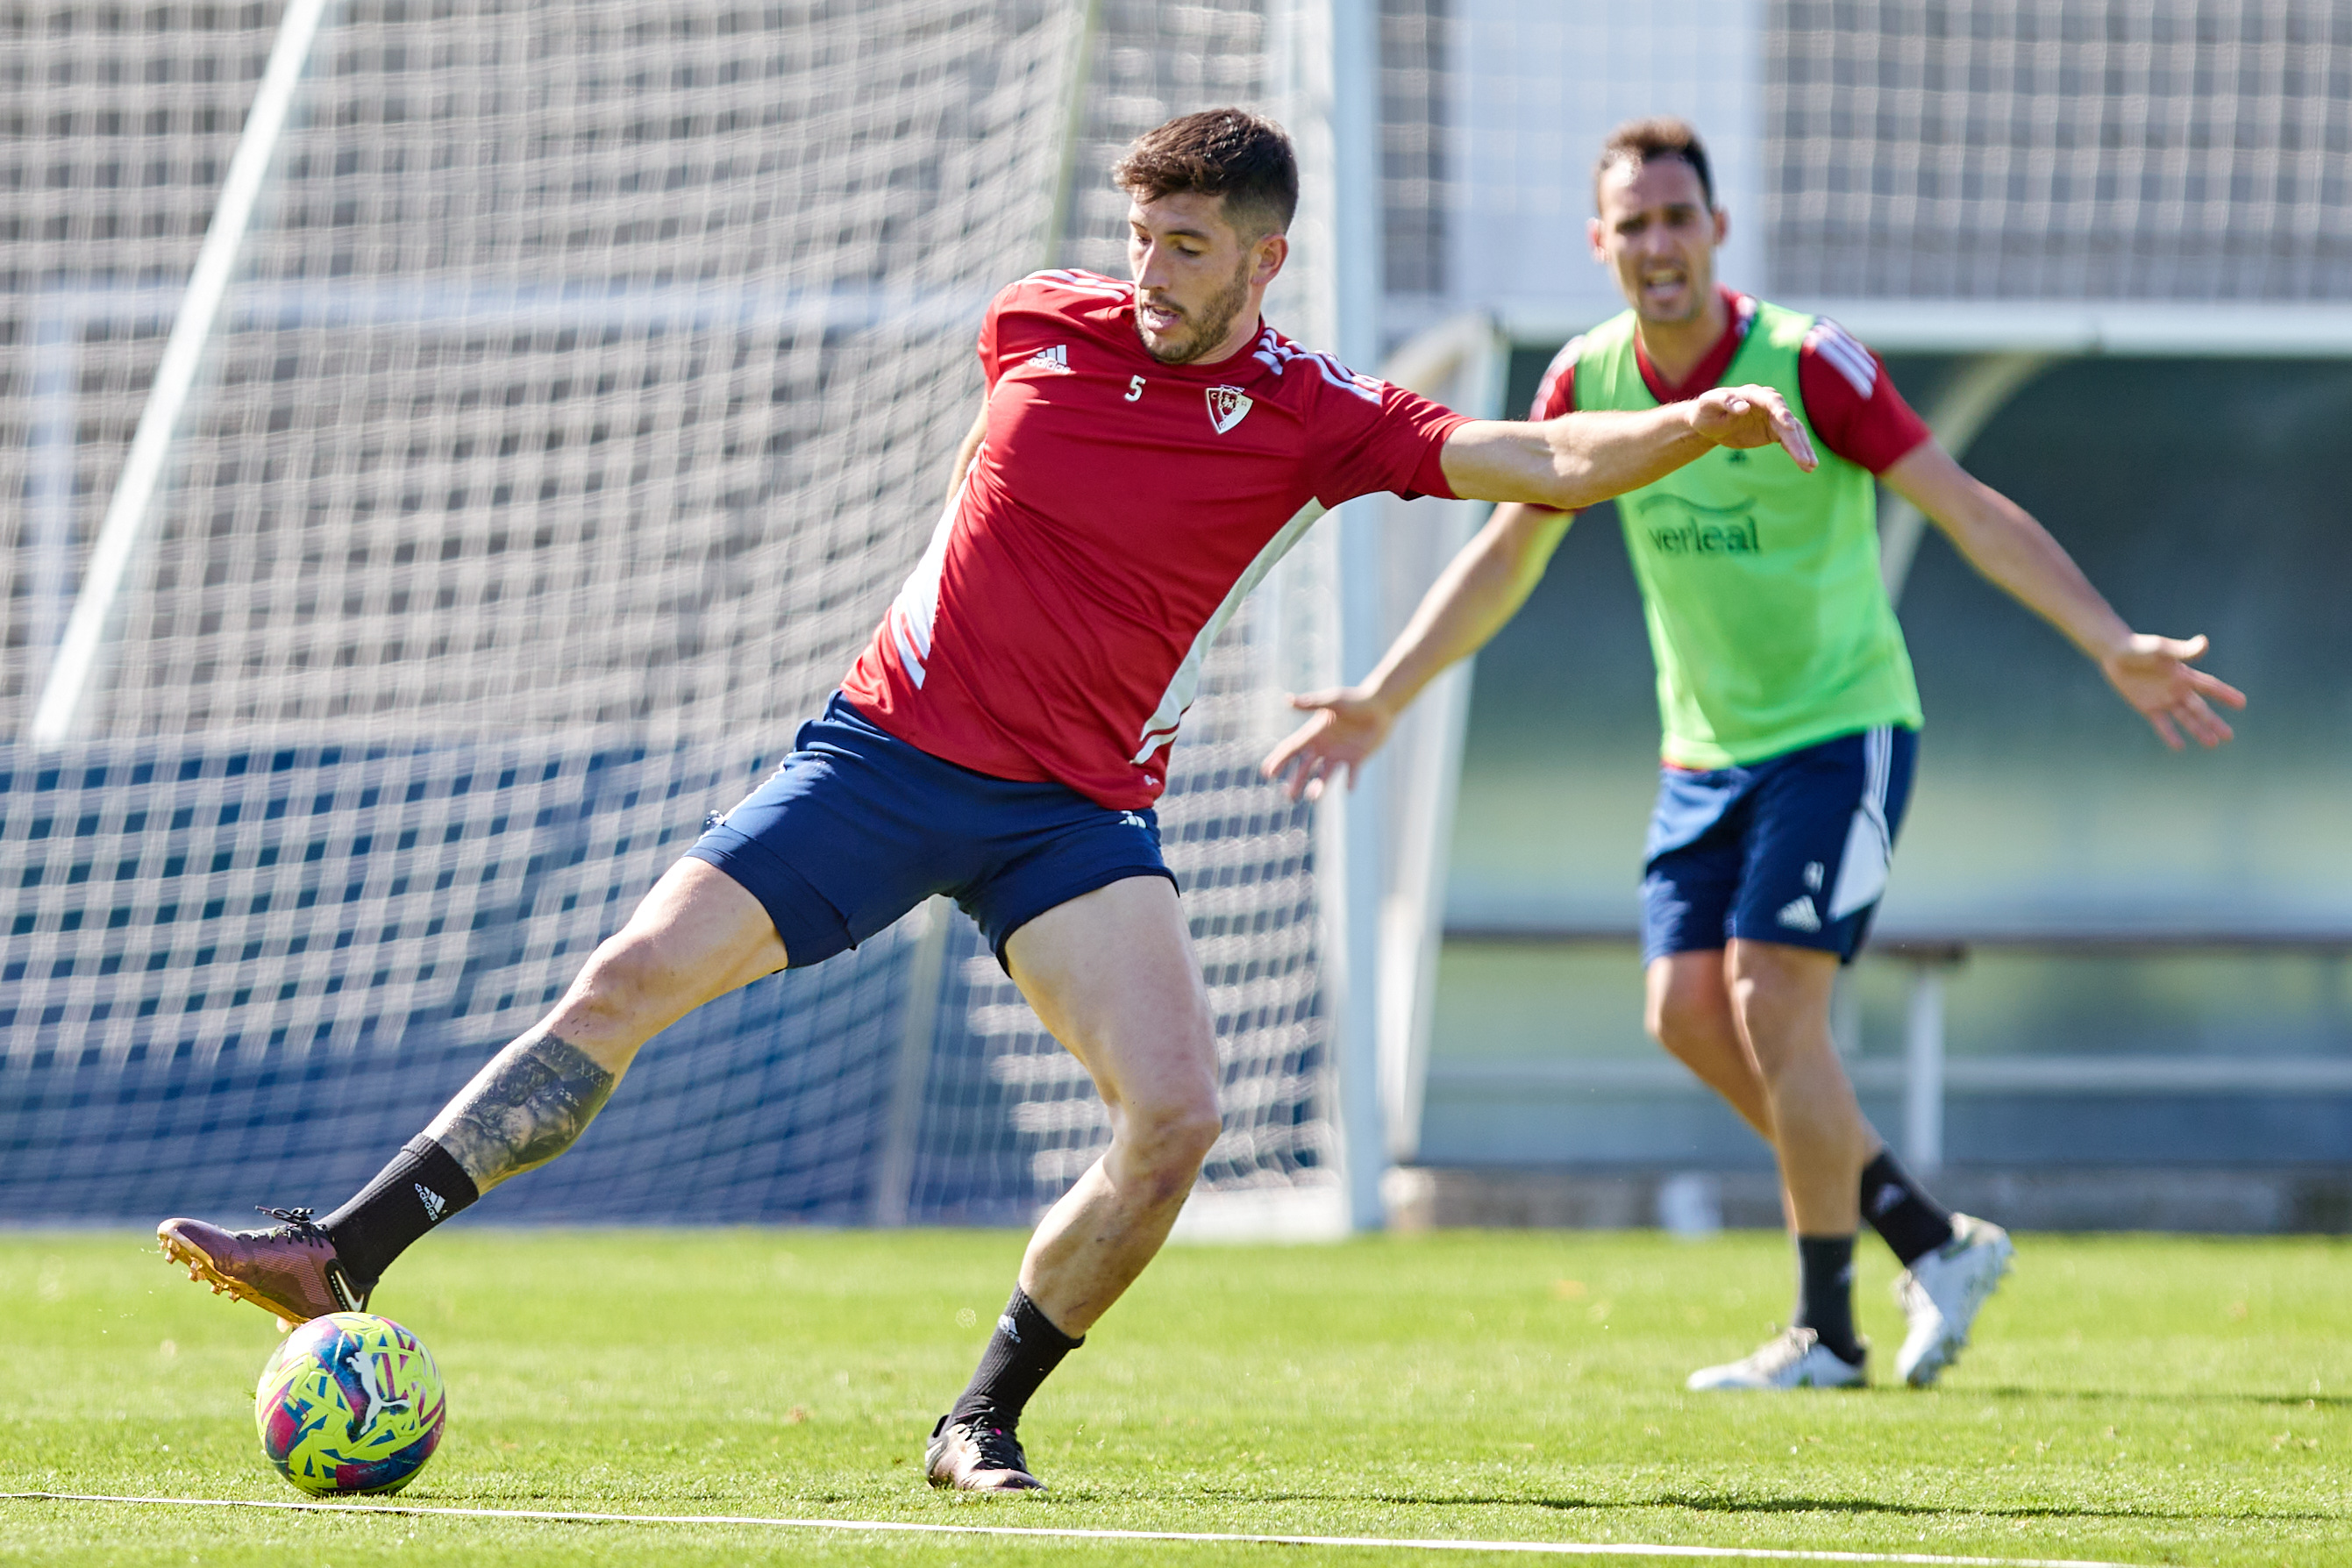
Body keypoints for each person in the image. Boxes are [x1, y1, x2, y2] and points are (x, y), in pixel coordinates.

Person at [157, 108, 1815, 1486]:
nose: (1148, 273)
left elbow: (1539, 465)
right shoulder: (1037, 320)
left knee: (1177, 1125)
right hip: (880, 758)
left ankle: (978, 1418)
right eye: (1141, 237)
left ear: (1261, 256)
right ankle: (345, 1247)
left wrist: (1690, 421)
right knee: (626, 980)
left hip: (1072, 819)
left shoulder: (1318, 416)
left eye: (1185, 245)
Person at [1263, 117, 2245, 1393]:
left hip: (1841, 733)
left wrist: (2109, 641)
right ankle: (1926, 1239)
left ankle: (1827, 1332)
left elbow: (1962, 506)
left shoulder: (1809, 363)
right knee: (1682, 1015)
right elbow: (1505, 554)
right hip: (1701, 758)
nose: (1657, 245)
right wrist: (1383, 699)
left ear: (1717, 232)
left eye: (1678, 219)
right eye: (1633, 225)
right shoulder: (1583, 383)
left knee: (1769, 1001)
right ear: (1599, 244)